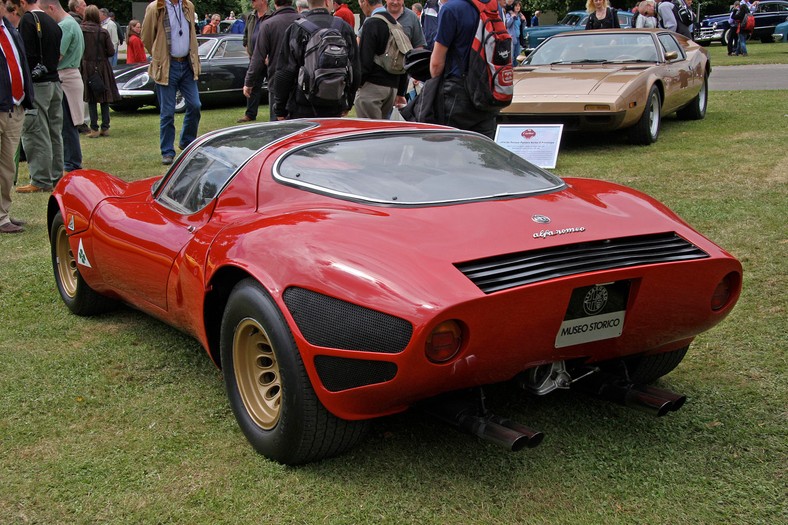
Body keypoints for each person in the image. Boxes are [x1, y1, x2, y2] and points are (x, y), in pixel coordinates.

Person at [271, 0, 359, 119]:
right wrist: (348, 102)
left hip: (303, 105)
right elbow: (356, 70)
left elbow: (284, 72)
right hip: (335, 103)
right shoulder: (344, 28)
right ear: (328, 2)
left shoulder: (296, 28)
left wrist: (280, 109)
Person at [428, 0, 501, 139]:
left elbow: (436, 64)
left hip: (457, 91)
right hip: (487, 89)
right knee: (482, 150)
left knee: (450, 147)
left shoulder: (451, 9)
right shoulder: (493, 7)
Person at [141, 0, 201, 165]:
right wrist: (158, 55)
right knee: (167, 113)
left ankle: (186, 142)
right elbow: (146, 37)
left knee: (195, 105)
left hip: (187, 64)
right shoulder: (156, 7)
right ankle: (167, 151)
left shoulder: (188, 6)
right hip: (168, 66)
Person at [16, 0, 63, 194]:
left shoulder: (28, 20)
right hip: (54, 82)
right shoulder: (53, 22)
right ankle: (56, 175)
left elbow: (26, 55)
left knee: (36, 131)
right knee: (54, 132)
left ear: (22, 2)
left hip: (38, 85)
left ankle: (41, 179)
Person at [0, 0, 33, 232]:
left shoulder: (10, 29)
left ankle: (3, 215)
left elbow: (20, 64)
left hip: (15, 107)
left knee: (7, 166)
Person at [41, 0, 83, 173]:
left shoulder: (65, 26)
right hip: (71, 75)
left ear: (52, 8)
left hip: (66, 77)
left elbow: (56, 55)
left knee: (67, 123)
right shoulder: (72, 23)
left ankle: (72, 161)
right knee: (69, 122)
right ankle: (72, 159)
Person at [243, 0, 300, 122]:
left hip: (277, 79)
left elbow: (258, 56)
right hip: (300, 81)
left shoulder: (268, 24)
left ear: (275, 3)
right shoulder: (304, 22)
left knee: (278, 128)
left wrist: (248, 82)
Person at [355, 0, 408, 119]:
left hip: (372, 87)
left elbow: (365, 61)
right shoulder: (396, 24)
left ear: (365, 2)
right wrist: (400, 91)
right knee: (382, 132)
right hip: (392, 87)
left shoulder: (371, 23)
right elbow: (404, 56)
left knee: (368, 133)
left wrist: (357, 85)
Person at [80, 5, 119, 138]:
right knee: (104, 97)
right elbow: (111, 51)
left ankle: (94, 128)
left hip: (87, 65)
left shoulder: (81, 30)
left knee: (91, 98)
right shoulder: (103, 32)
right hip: (102, 65)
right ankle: (105, 127)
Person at [238, 0, 274, 123]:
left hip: (269, 60)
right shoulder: (251, 16)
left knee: (273, 87)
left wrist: (269, 55)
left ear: (263, 1)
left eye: (254, 0)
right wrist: (247, 47)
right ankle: (250, 114)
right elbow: (246, 34)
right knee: (252, 86)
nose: (251, 2)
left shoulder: (272, 16)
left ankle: (275, 113)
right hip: (255, 58)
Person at [505, 1, 524, 67]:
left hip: (518, 38)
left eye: (519, 6)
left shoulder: (519, 16)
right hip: (512, 38)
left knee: (517, 56)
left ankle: (516, 70)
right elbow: (507, 24)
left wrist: (524, 20)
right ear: (513, 7)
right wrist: (512, 17)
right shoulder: (509, 14)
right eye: (516, 6)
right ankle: (511, 69)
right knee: (511, 56)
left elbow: (522, 27)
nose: (517, 7)